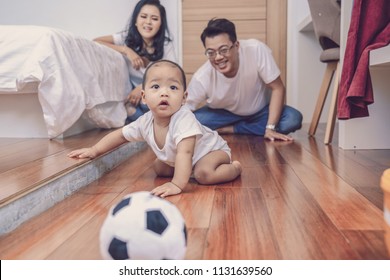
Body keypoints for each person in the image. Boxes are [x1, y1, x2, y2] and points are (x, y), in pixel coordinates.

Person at [67, 60, 242, 198]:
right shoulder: (145, 122)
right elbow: (121, 135)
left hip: (212, 151)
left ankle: (234, 168)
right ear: (144, 96)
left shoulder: (184, 119)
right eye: (156, 87)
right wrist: (95, 150)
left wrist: (176, 184)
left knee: (204, 174)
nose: (164, 93)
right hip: (187, 158)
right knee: (159, 168)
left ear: (184, 97)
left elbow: (185, 153)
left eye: (173, 87)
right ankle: (188, 171)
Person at [186, 18, 303, 141]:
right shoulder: (202, 76)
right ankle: (247, 128)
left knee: (292, 119)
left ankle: (233, 129)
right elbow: (184, 109)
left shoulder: (256, 49)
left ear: (236, 46)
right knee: (193, 122)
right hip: (222, 114)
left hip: (260, 112)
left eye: (224, 50)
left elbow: (277, 88)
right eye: (211, 53)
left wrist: (270, 128)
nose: (218, 57)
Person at [94, 0, 177, 123]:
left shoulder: (166, 44)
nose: (148, 22)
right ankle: (148, 122)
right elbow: (96, 42)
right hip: (132, 94)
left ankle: (147, 121)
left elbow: (170, 74)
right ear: (136, 21)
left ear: (160, 24)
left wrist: (144, 86)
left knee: (152, 103)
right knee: (130, 108)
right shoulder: (126, 38)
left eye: (154, 18)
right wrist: (126, 50)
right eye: (143, 16)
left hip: (153, 90)